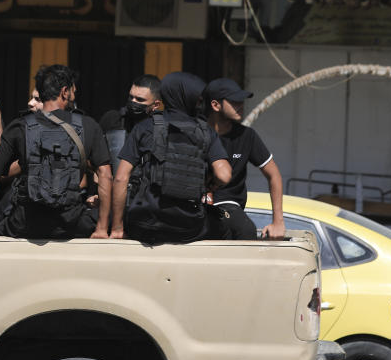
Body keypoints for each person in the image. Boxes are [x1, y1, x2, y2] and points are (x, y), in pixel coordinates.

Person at [0, 64, 112, 239]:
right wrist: (102, 228)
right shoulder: (88, 126)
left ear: (40, 92)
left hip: (25, 223)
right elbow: (106, 176)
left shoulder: (20, 127)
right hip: (70, 223)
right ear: (65, 91)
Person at [111, 72, 231, 244]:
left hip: (146, 224)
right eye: (198, 98)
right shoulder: (206, 131)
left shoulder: (145, 127)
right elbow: (224, 175)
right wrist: (210, 183)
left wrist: (117, 228)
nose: (200, 102)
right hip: (188, 227)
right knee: (227, 226)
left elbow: (121, 178)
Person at [203, 78, 285, 240]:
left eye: (241, 101)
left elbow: (274, 174)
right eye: (234, 101)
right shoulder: (195, 132)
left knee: (245, 229)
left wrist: (278, 222)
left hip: (230, 210)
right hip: (196, 208)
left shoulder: (247, 136)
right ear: (215, 105)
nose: (240, 105)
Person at [100, 75, 163, 174]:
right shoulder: (113, 119)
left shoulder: (161, 128)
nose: (133, 101)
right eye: (131, 97)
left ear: (156, 105)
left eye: (140, 99)